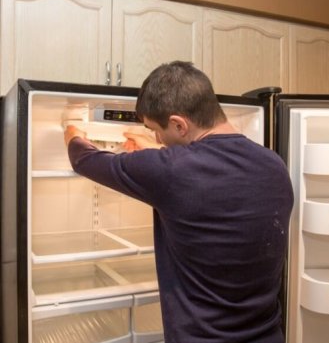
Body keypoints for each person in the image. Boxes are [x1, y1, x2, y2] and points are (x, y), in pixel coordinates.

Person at [64, 61, 294, 343]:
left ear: (179, 124)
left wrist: (73, 131)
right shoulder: (275, 165)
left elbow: (84, 158)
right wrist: (157, 149)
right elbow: (204, 168)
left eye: (155, 130)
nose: (157, 138)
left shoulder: (169, 171)